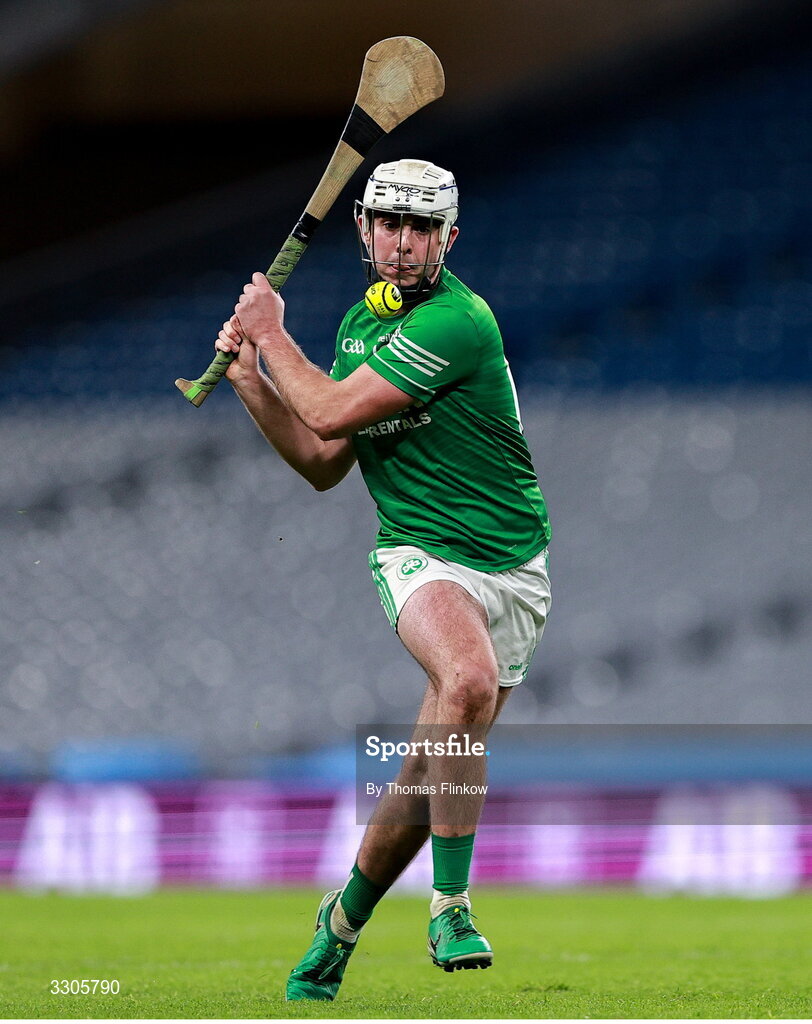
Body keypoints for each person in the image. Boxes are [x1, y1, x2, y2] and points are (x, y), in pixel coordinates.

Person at [215, 158, 552, 1001]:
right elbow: (325, 460)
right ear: (365, 231)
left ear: (449, 238)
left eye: (423, 229)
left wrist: (269, 330)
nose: (404, 245)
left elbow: (325, 412)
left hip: (515, 569)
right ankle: (451, 906)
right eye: (390, 226)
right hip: (417, 553)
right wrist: (251, 380)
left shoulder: (457, 322)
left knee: (425, 770)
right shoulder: (361, 329)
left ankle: (340, 925)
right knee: (466, 682)